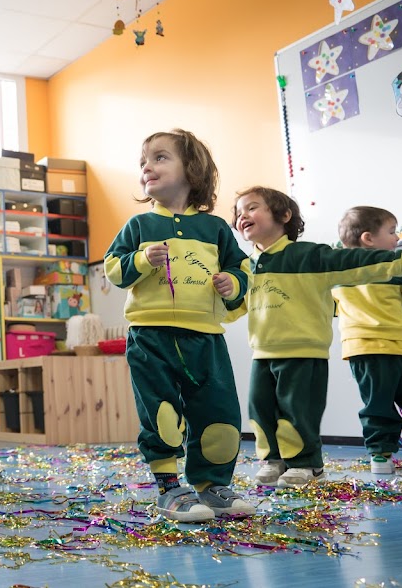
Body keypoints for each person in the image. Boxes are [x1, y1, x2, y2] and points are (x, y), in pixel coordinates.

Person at [229, 188, 402, 487]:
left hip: (303, 351)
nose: (241, 216)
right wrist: (224, 291)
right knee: (260, 409)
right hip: (263, 351)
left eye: (252, 207)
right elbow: (234, 306)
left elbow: (355, 262)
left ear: (284, 216)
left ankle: (306, 463)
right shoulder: (246, 266)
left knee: (298, 411)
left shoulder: (308, 255)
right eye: (238, 212)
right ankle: (273, 458)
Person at [104, 128, 254, 523]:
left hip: (205, 337)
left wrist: (233, 282)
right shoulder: (138, 226)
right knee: (162, 414)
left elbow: (242, 269)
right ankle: (170, 488)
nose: (147, 167)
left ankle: (213, 484)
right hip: (150, 337)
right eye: (143, 162)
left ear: (192, 168)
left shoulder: (216, 229)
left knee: (219, 412)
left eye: (159, 157)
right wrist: (140, 259)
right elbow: (113, 270)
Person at [332, 206, 402, 475]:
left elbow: (328, 306)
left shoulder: (336, 271)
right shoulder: (396, 267)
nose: (397, 238)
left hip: (363, 349)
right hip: (398, 349)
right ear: (368, 238)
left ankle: (380, 456)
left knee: (377, 403)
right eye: (391, 232)